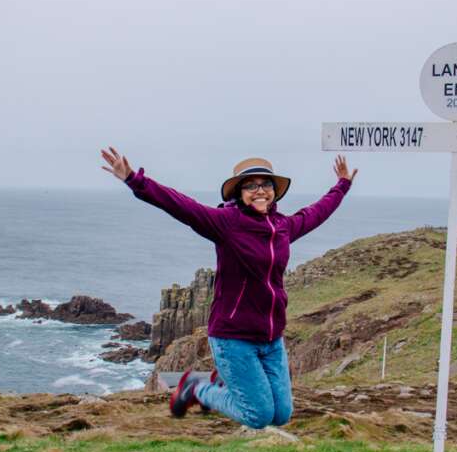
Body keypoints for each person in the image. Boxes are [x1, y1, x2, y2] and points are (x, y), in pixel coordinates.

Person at [101, 147, 357, 429]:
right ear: (239, 193)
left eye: (265, 185)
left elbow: (317, 212)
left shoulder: (282, 227)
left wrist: (342, 186)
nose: (259, 191)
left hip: (271, 339)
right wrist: (134, 180)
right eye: (250, 186)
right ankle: (196, 388)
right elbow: (181, 206)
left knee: (281, 415)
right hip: (233, 338)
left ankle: (223, 382)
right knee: (258, 417)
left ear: (274, 191)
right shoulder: (226, 224)